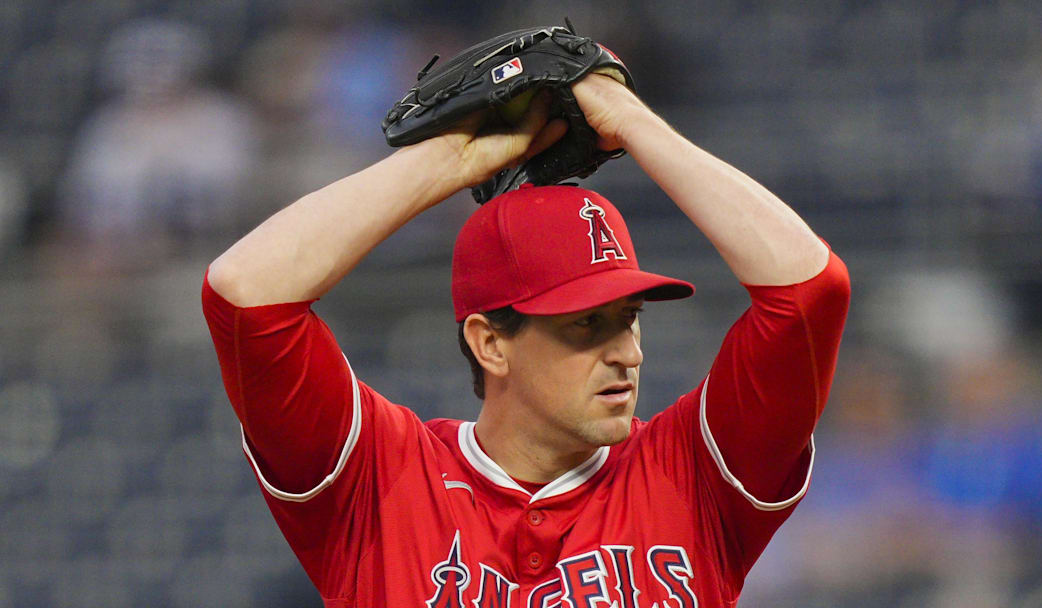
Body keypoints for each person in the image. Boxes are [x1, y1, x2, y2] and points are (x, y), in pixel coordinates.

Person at [202, 73, 850, 606]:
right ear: (491, 344)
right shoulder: (379, 480)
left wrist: (633, 122)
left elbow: (810, 289)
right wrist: (442, 164)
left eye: (629, 317)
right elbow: (244, 293)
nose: (628, 351)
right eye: (586, 324)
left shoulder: (695, 473)